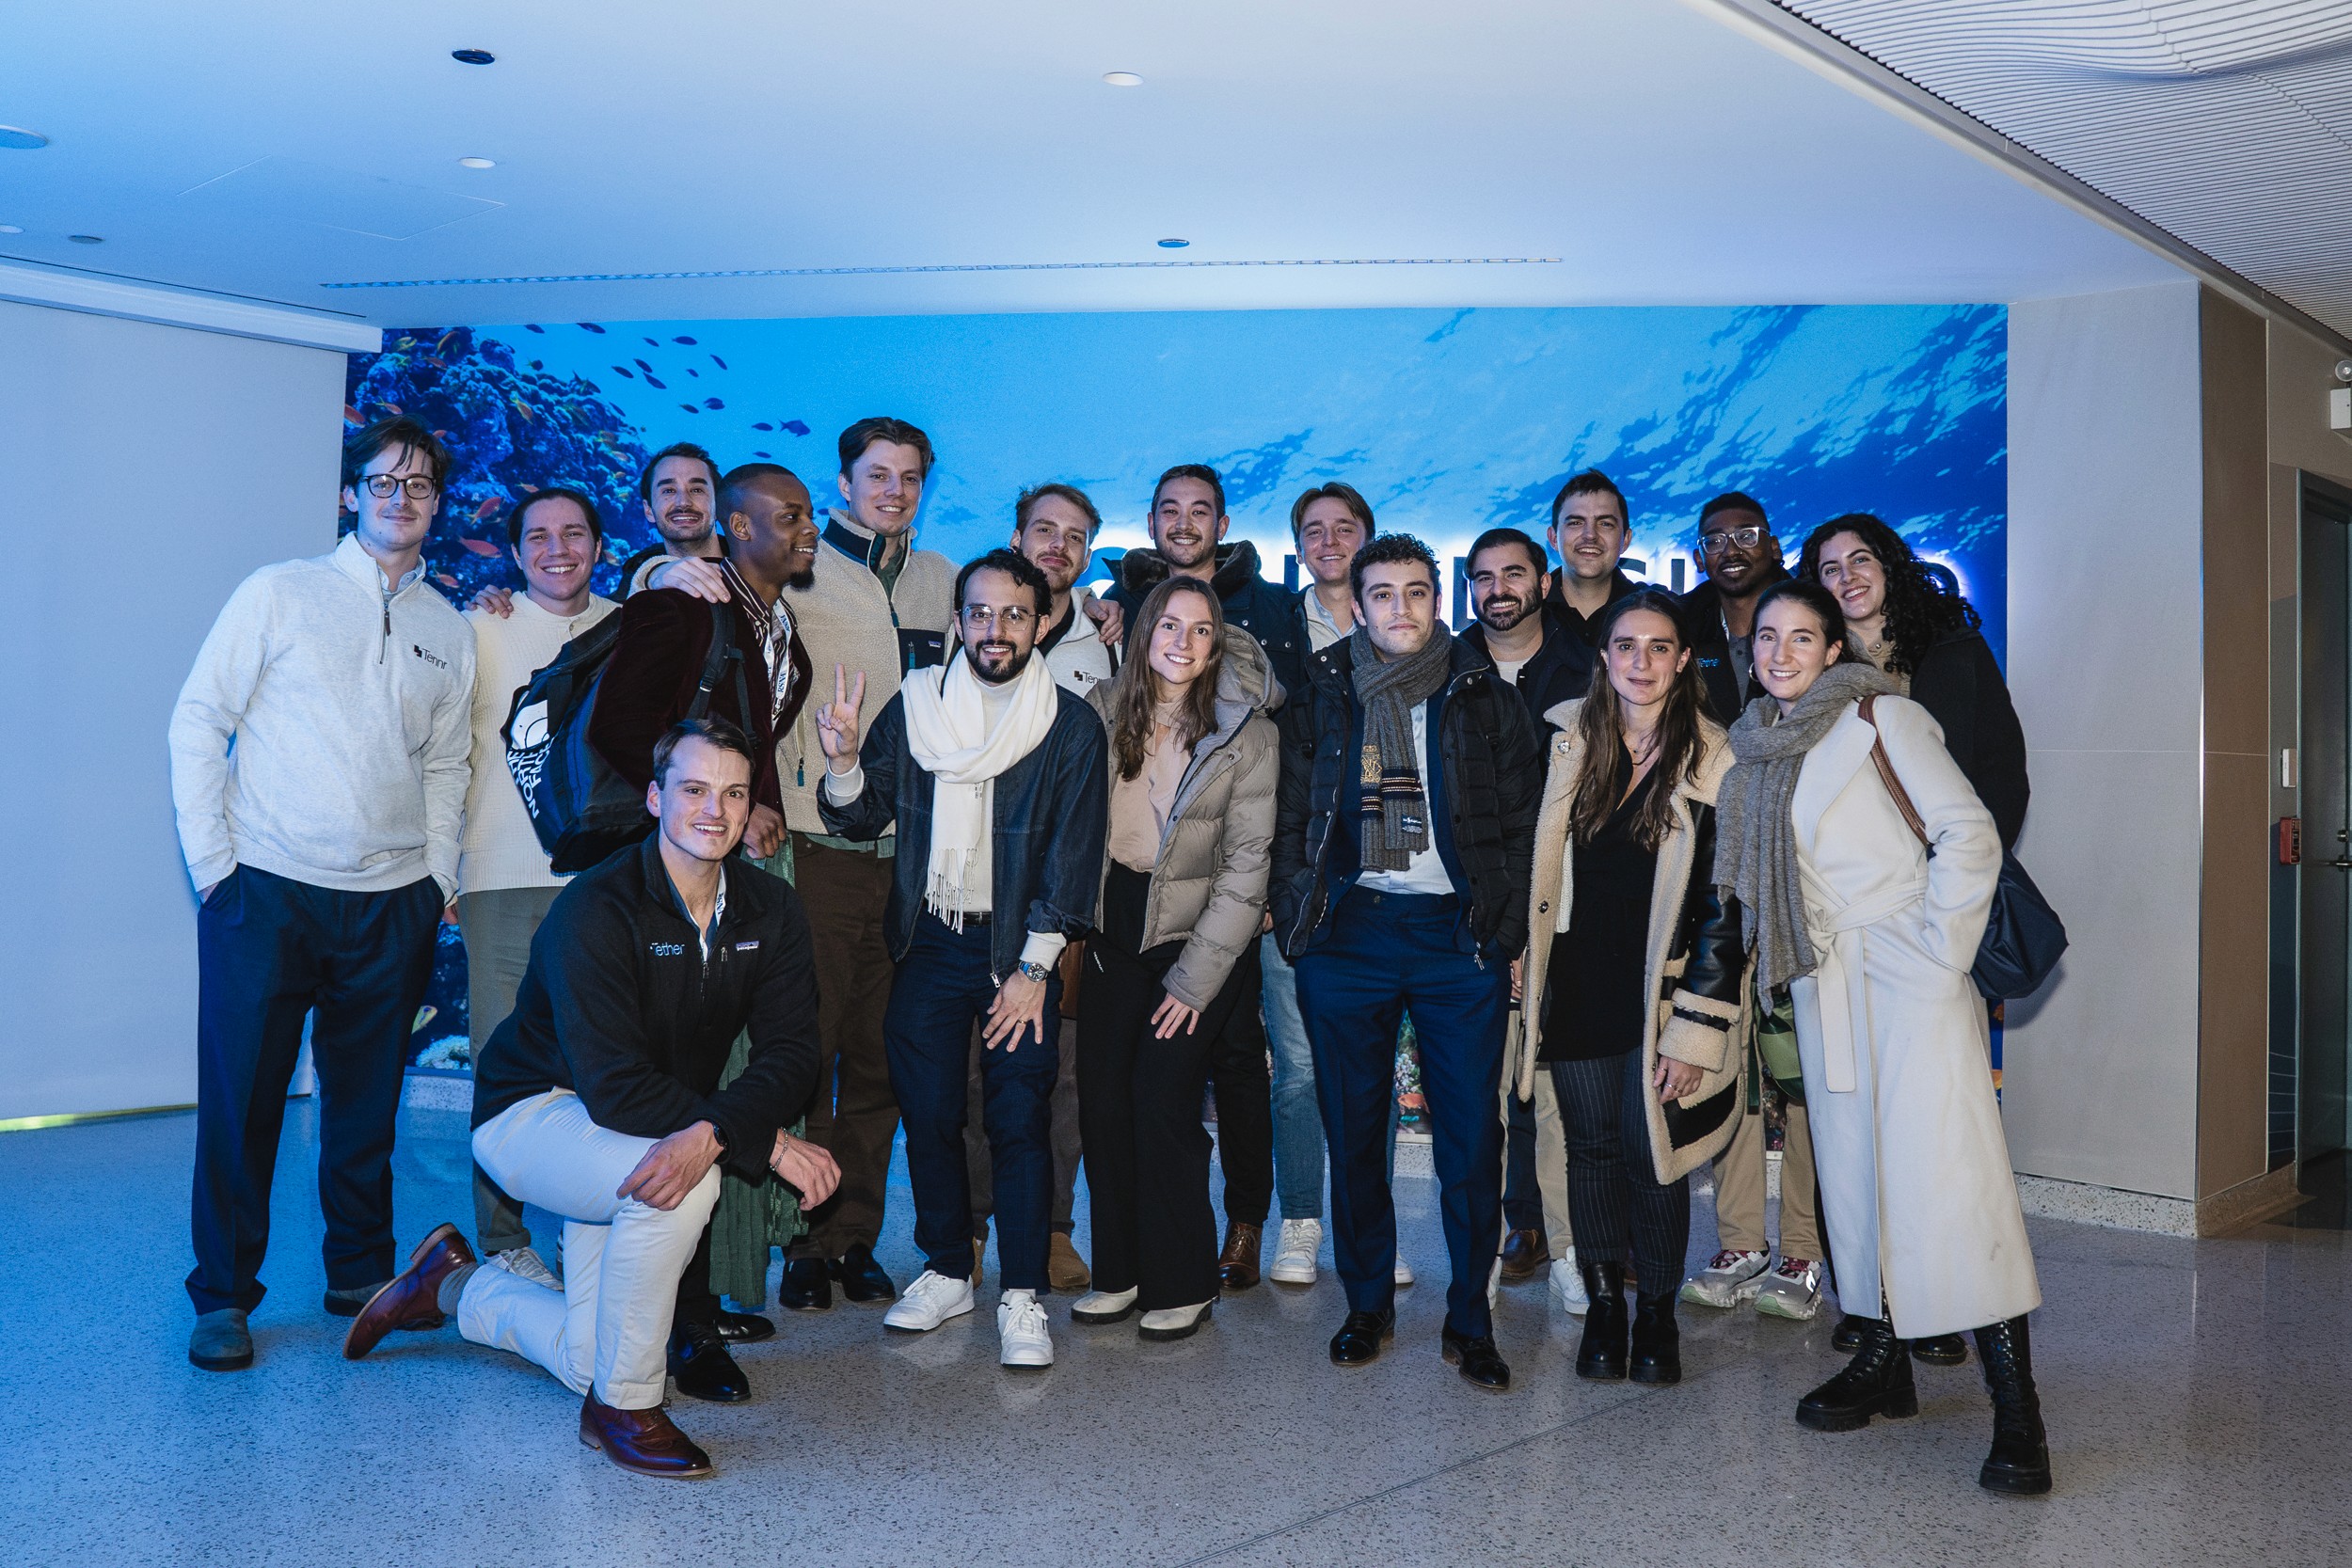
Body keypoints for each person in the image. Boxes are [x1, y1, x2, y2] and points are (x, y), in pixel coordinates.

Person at [341, 719, 836, 1481]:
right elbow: (611, 1086)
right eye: (694, 789)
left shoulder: (769, 910)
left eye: (734, 792)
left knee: (587, 1354)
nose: (716, 809)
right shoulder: (598, 907)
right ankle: (626, 1407)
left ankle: (451, 1285)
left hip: (635, 1129)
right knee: (688, 1176)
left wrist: (716, 1127)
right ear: (653, 796)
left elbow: (793, 1052)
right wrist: (759, 1141)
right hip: (532, 1112)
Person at [1718, 579, 2049, 1495]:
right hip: (1825, 985)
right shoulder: (1757, 748)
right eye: (1766, 637)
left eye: (1802, 636)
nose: (1780, 652)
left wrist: (1933, 954)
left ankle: (2018, 1409)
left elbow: (1968, 833)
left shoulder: (1882, 719)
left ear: (1833, 649)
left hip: (1909, 977)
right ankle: (1883, 1358)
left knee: (1954, 1186)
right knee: (1856, 1190)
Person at [169, 416, 475, 1373]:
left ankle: (358, 1275)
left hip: (390, 902)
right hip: (264, 891)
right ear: (353, 493)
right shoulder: (280, 591)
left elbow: (449, 763)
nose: (402, 499)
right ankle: (222, 1296)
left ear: (437, 504)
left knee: (364, 1107)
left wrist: (437, 877)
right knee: (243, 1102)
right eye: (385, 482)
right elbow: (197, 719)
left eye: (422, 486)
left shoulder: (447, 627)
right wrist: (215, 868)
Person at [653, 419, 954, 1312]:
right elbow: (699, 573)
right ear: (843, 481)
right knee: (804, 1045)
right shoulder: (803, 562)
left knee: (878, 1058)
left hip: (916, 859)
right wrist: (662, 570)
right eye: (876, 475)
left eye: (908, 478)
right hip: (816, 848)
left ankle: (852, 1234)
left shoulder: (942, 579)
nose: (892, 490)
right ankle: (799, 1240)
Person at [814, 548, 1108, 1369]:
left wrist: (1034, 968)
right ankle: (947, 1268)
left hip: (1022, 948)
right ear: (956, 620)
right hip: (931, 940)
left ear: (1043, 622)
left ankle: (1021, 1293)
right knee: (930, 1112)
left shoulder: (1070, 724)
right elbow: (859, 815)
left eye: (1015, 613)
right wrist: (841, 762)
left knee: (1018, 1118)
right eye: (979, 612)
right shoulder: (914, 708)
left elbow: (1075, 861)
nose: (995, 628)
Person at [1272, 534, 1541, 1392]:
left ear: (1439, 602)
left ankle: (1472, 1318)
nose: (1399, 609)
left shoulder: (1481, 694)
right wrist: (1296, 921)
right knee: (1355, 1131)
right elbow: (1286, 813)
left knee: (1471, 1138)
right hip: (1349, 934)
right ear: (1357, 605)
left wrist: (1497, 933)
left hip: (1452, 937)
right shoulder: (1320, 690)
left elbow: (1521, 824)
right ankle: (1366, 1306)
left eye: (1416, 593)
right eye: (1381, 594)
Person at [587, 463, 817, 1397]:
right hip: (668, 886)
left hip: (730, 876)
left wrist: (751, 800)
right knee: (676, 1083)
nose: (808, 528)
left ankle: (705, 1294)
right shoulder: (683, 601)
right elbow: (618, 727)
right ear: (736, 526)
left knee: (723, 1075)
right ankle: (681, 1333)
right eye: (791, 516)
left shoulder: (773, 621)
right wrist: (709, 816)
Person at [1516, 590, 1748, 1386]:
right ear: (1604, 657)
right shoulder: (1568, 743)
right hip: (1579, 985)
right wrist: (1526, 955)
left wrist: (1696, 1033)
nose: (1641, 662)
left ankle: (1656, 1312)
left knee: (1657, 1156)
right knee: (1592, 1153)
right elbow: (1538, 871)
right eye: (1626, 646)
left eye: (1659, 647)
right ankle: (1606, 1307)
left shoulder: (1717, 760)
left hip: (1666, 998)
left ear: (1684, 659)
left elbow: (1728, 911)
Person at [1070, 577, 1279, 1340]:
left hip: (1197, 941)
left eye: (1199, 630)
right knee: (1104, 1105)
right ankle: (1119, 1274)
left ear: (1216, 642)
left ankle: (1184, 1280)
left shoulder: (1248, 733)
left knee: (1163, 1104)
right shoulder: (1100, 711)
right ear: (1144, 631)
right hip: (1111, 933)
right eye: (1168, 625)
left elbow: (1246, 868)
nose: (1182, 642)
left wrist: (1194, 979)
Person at [1105, 463, 1290, 1290]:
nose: (1185, 522)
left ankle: (1239, 1228)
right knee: (1129, 1095)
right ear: (1150, 521)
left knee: (1228, 1071)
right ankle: (1132, 1259)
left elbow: (1258, 828)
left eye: (1200, 510)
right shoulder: (1114, 658)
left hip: (1223, 906)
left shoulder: (1264, 627)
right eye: (1170, 510)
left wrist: (1255, 906)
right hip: (1125, 913)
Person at [456, 486, 617, 1290]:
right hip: (500, 880)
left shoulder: (630, 627)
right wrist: (444, 868)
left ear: (599, 543)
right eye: (540, 537)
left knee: (600, 1062)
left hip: (603, 886)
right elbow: (444, 756)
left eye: (575, 533)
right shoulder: (479, 628)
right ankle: (503, 1238)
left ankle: (586, 1229)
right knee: (503, 1062)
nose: (559, 548)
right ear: (515, 553)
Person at [963, 482, 1120, 1294]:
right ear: (1017, 535)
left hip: (1065, 897)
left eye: (1075, 534)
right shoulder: (979, 625)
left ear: (1089, 550)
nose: (1058, 544)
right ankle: (974, 1228)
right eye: (1043, 529)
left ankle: (1054, 1228)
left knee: (1059, 1074)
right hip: (974, 892)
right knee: (970, 1071)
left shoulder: (1106, 640)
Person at [1462, 525, 1589, 1311]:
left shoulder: (1587, 669)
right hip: (1478, 902)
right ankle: (1512, 1225)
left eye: (1514, 574)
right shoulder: (1448, 668)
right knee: (1489, 1075)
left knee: (1555, 1075)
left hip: (1570, 900)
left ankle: (1572, 1235)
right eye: (1484, 578)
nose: (1499, 589)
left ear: (1544, 582)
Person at [1263, 483, 1372, 1290]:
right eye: (1315, 531)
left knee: (1361, 1067)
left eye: (1345, 528)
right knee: (1297, 1067)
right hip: (1290, 876)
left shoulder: (1406, 628)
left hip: (1384, 886)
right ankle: (1299, 1223)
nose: (1330, 541)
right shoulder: (1270, 628)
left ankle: (1371, 1230)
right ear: (1297, 544)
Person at [1801, 514, 2029, 848]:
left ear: (1887, 566)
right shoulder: (1806, 663)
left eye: (1860, 559)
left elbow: (2001, 766)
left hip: (1955, 854)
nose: (1848, 577)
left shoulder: (1956, 647)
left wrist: (1976, 860)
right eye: (1832, 569)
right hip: (1855, 869)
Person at [1681, 492, 1788, 724]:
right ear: (1699, 560)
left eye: (1746, 536)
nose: (1730, 551)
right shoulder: (1681, 627)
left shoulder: (1814, 615)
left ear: (1774, 547)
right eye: (1714, 541)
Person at [1544, 469, 1643, 647]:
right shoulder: (1527, 612)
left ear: (1626, 540)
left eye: (1605, 524)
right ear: (1553, 538)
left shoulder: (1655, 610)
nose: (1590, 535)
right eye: (1575, 523)